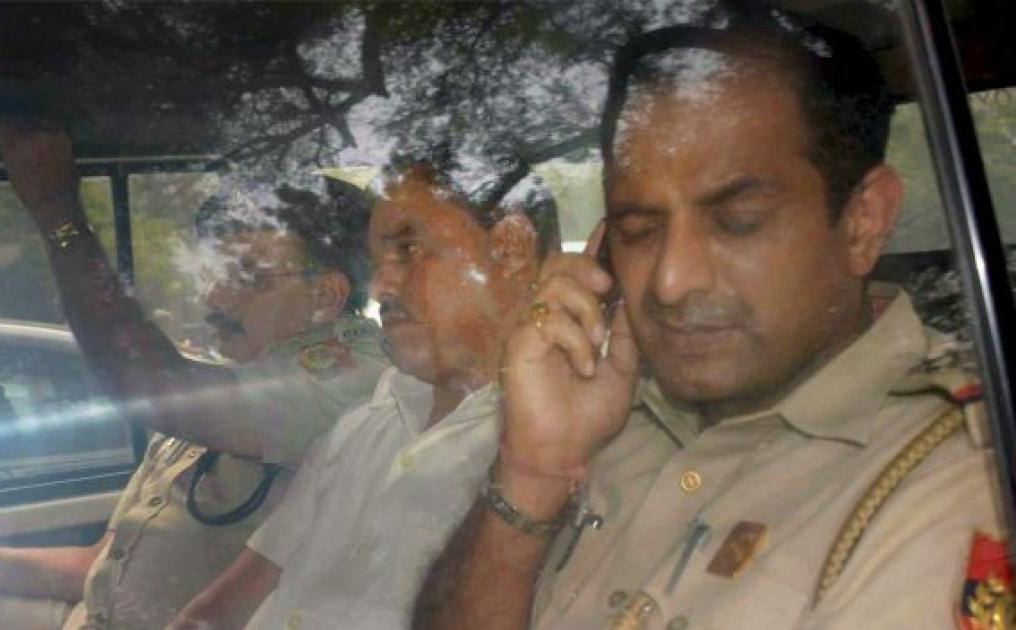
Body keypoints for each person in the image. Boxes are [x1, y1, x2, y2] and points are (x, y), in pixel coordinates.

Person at [414, 6, 1004, 630]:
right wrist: (531, 473)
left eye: (737, 221)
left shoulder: (965, 477)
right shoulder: (605, 414)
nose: (671, 281)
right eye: (640, 229)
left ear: (863, 223)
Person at [0, 125, 389, 630]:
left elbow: (150, 385)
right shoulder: (233, 387)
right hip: (91, 617)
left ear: (324, 296)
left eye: (244, 275)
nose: (215, 296)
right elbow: (102, 566)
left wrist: (57, 214)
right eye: (215, 274)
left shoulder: (360, 387)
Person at [162, 167, 556, 630]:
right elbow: (218, 612)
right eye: (377, 261)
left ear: (511, 251)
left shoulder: (546, 459)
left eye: (409, 250)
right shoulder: (362, 426)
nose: (380, 286)